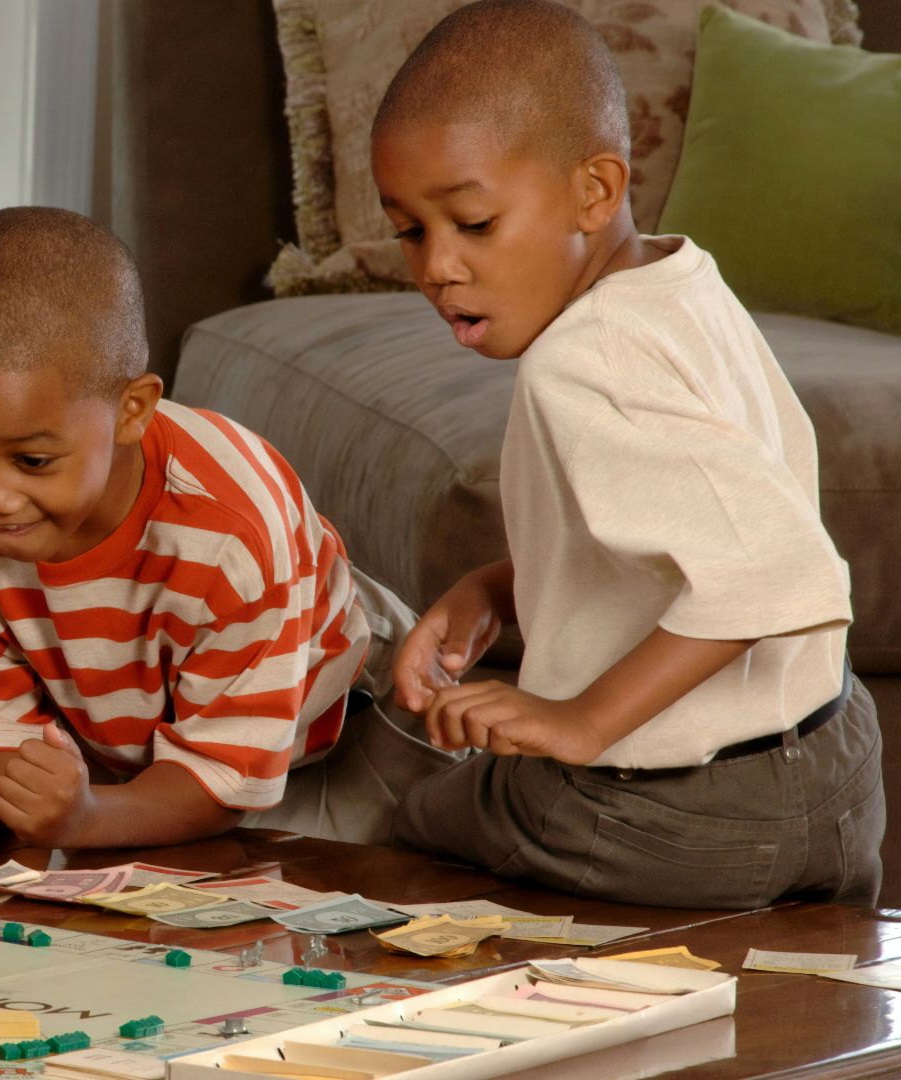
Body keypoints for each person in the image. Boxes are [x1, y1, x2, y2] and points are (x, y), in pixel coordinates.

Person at [376, 0, 883, 908]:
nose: (436, 267)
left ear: (595, 192)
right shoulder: (681, 281)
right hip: (836, 770)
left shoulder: (581, 360)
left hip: (675, 812)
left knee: (414, 822)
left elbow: (778, 574)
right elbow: (713, 526)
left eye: (473, 224)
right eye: (412, 230)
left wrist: (578, 722)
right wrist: (496, 588)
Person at [0, 207, 457, 852]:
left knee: (322, 901)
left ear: (132, 410)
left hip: (347, 729)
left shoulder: (230, 532)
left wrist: (88, 819)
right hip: (144, 745)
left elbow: (219, 778)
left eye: (32, 461)